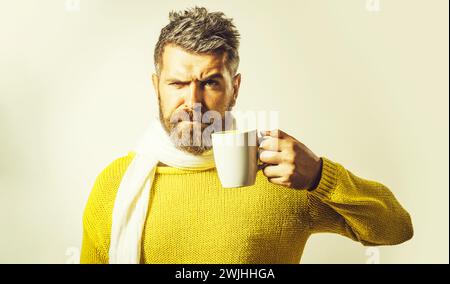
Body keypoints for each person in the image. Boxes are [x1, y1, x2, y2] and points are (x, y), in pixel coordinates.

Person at [80, 6, 413, 264]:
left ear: (234, 89)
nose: (193, 101)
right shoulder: (115, 186)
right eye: (177, 83)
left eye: (210, 82)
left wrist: (321, 177)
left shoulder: (284, 175)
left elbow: (396, 227)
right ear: (156, 88)